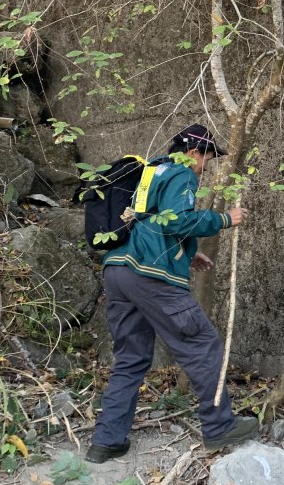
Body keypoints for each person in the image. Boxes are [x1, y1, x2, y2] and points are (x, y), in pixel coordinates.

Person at [86, 124, 257, 462]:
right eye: (208, 158)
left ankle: (106, 441)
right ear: (195, 151)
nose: (207, 166)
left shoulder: (152, 170)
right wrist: (226, 218)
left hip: (118, 269)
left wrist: (188, 253)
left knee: (131, 359)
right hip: (150, 274)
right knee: (201, 345)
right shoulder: (181, 172)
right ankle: (220, 426)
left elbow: (152, 221)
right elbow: (176, 220)